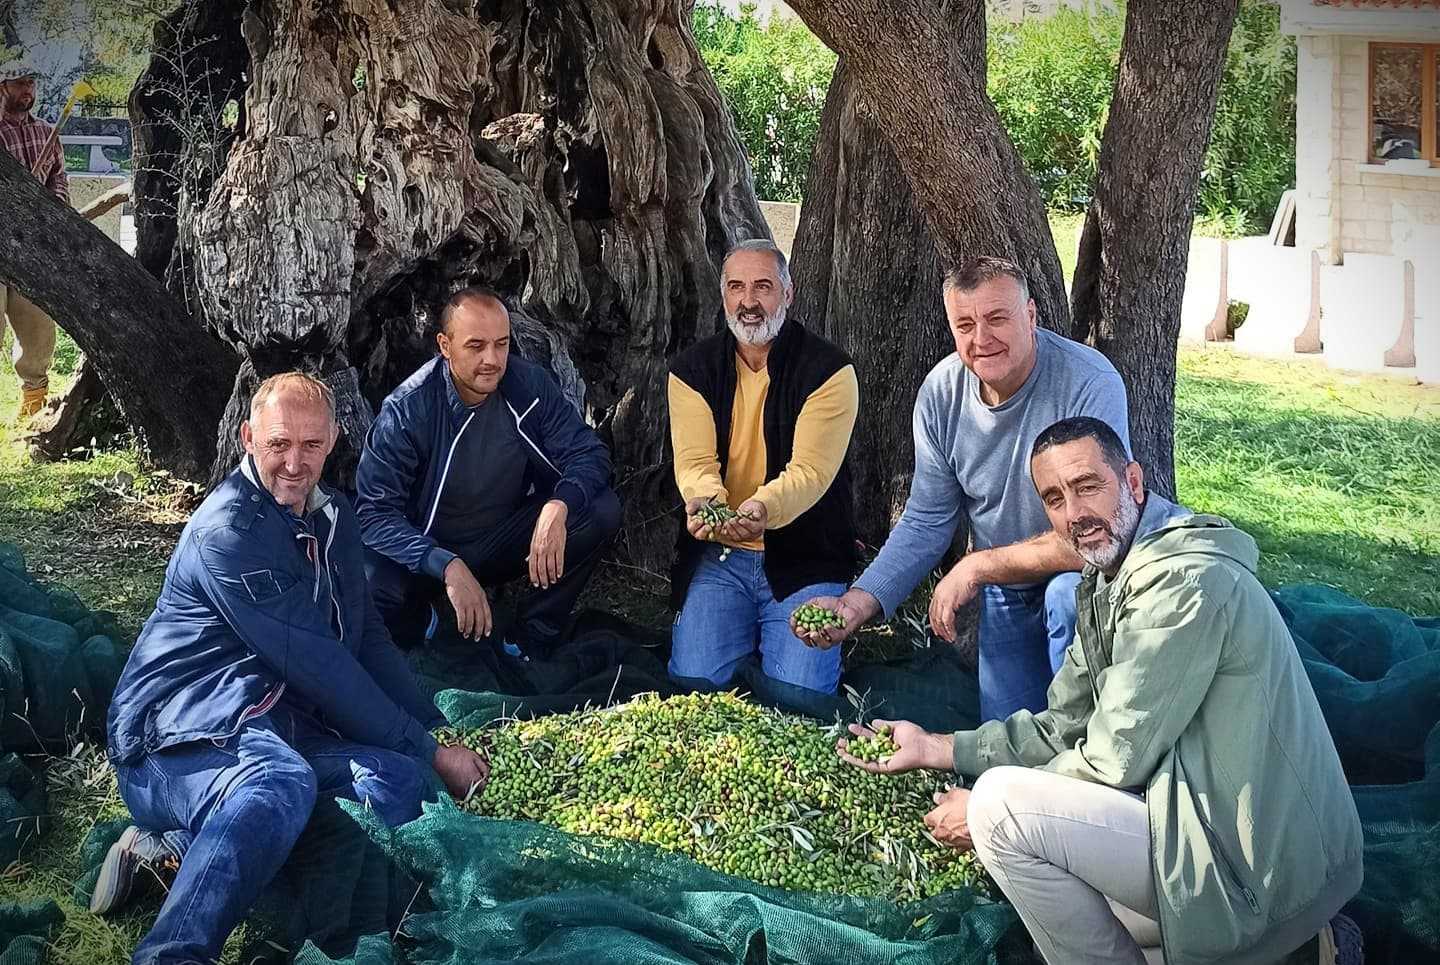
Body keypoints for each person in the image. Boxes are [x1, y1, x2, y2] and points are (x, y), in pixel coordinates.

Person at [838, 416, 1364, 965]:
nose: (1075, 514)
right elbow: (1061, 725)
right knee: (1059, 890)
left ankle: (1308, 948)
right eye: (1054, 498)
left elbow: (1115, 758)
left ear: (1133, 483)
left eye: (1088, 486)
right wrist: (935, 748)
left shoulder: (1180, 583)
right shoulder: (1108, 579)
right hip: (1203, 827)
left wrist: (980, 808)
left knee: (1001, 812)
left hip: (1257, 870)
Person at [98, 373, 489, 965]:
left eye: (310, 445)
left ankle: (175, 850)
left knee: (399, 782)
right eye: (279, 444)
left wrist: (428, 729)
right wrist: (433, 750)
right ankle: (172, 952)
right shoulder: (229, 533)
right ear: (247, 437)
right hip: (174, 736)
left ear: (333, 439)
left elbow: (367, 640)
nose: (293, 463)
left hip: (270, 720)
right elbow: (323, 667)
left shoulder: (336, 518)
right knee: (278, 783)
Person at [792, 256, 1130, 720]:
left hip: (1084, 579)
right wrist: (856, 602)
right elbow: (927, 520)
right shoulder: (941, 392)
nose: (981, 339)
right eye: (965, 324)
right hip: (1003, 585)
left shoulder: (1088, 382)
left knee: (1065, 619)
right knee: (1007, 734)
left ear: (1030, 315)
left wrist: (976, 566)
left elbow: (1099, 532)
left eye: (997, 318)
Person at [356, 286, 620, 658]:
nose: (492, 360)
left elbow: (588, 452)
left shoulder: (527, 385)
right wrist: (444, 564)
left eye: (501, 344)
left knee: (600, 509)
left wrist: (558, 505)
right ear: (445, 346)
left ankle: (532, 633)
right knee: (368, 581)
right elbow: (374, 514)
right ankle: (423, 621)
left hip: (499, 540)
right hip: (425, 553)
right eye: (476, 346)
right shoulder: (407, 410)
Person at [667, 239, 860, 695]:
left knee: (801, 694)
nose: (748, 302)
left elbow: (810, 473)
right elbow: (695, 463)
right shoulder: (690, 370)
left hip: (805, 553)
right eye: (736, 287)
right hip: (721, 552)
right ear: (723, 296)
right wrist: (708, 505)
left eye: (762, 287)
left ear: (787, 295)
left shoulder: (829, 371)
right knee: (695, 682)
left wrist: (760, 509)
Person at [0, 61, 66, 423]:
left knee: (38, 332)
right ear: (2, 88)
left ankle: (33, 406)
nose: (27, 89)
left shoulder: (47, 132)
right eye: (18, 83)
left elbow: (59, 179)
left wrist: (52, 212)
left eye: (31, 82)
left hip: (33, 252)